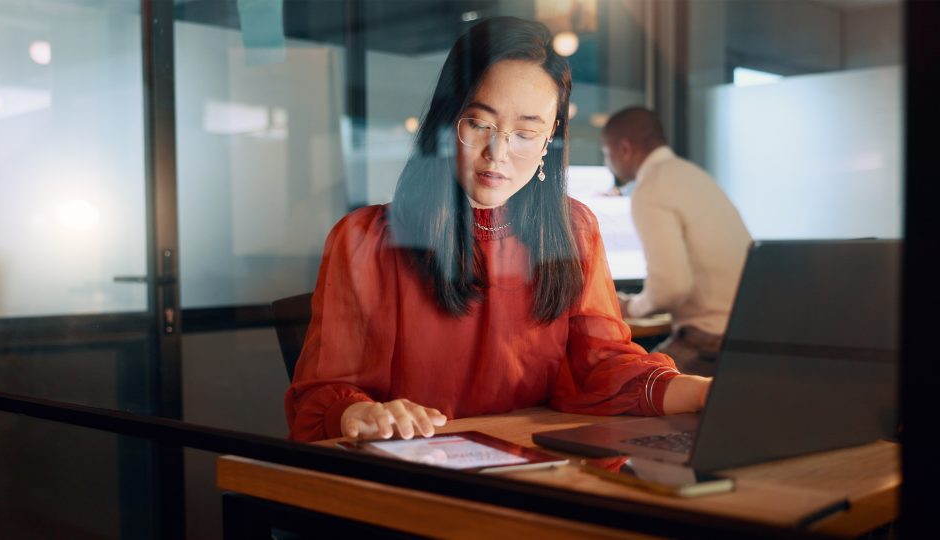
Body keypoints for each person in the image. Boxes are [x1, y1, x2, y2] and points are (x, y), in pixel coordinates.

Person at [285, 18, 712, 443]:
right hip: (417, 478)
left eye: (525, 133)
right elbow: (321, 397)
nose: (498, 153)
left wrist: (703, 392)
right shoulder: (366, 239)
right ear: (446, 121)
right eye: (480, 124)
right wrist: (361, 412)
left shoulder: (572, 231)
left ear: (549, 142)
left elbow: (603, 366)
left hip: (534, 469)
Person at [601, 107, 752, 377]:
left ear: (624, 148)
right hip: (746, 332)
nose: (606, 163)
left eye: (606, 153)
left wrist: (630, 307)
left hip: (709, 340)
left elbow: (671, 287)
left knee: (628, 386)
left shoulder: (651, 187)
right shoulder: (692, 175)